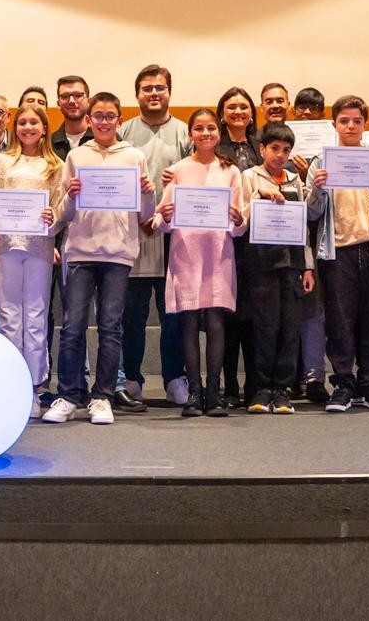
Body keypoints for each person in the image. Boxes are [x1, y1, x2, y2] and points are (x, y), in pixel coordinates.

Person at [45, 93, 156, 426]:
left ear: (120, 120)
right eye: (98, 116)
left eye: (110, 116)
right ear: (90, 119)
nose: (104, 121)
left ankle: (102, 396)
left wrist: (148, 192)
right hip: (79, 252)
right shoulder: (77, 156)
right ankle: (68, 394)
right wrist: (71, 194)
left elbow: (144, 215)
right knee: (73, 327)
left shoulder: (134, 156)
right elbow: (63, 214)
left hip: (118, 253)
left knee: (110, 328)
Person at [151, 108, 247, 417]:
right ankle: (194, 390)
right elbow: (160, 219)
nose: (205, 133)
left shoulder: (230, 171)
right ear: (190, 133)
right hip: (186, 254)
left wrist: (237, 219)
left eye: (211, 128)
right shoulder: (177, 169)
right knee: (189, 323)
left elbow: (241, 221)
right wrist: (164, 217)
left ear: (218, 133)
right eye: (199, 128)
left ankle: (214, 392)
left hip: (218, 254)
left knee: (216, 323)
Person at [306, 94, 369, 412]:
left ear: (364, 123)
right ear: (334, 124)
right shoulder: (321, 162)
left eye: (356, 120)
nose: (350, 126)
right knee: (340, 320)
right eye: (344, 120)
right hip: (336, 249)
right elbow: (312, 213)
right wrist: (317, 188)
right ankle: (343, 383)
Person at [118, 64, 191, 410]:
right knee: (131, 314)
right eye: (147, 88)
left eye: (160, 88)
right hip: (132, 233)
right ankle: (131, 378)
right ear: (137, 94)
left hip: (172, 236)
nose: (154, 93)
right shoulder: (123, 132)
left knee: (171, 313)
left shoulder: (185, 133)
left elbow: (192, 182)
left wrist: (162, 215)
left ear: (169, 92)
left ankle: (175, 377)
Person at [0, 103, 65, 416]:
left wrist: (52, 218)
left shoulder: (55, 165)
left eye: (35, 122)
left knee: (35, 316)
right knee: (8, 316)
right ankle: (10, 384)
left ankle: (33, 386)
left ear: (44, 128)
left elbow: (59, 211)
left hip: (40, 248)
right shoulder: (2, 163)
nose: (28, 127)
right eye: (22, 123)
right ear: (14, 127)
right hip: (5, 246)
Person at [238, 121, 318, 414]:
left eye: (286, 150)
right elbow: (240, 221)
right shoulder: (249, 177)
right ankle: (261, 388)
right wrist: (259, 199)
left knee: (289, 326)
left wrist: (308, 266)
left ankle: (282, 389)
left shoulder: (295, 180)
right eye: (274, 149)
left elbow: (303, 228)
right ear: (262, 149)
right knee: (265, 327)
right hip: (260, 265)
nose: (280, 155)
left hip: (292, 264)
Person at [216, 86, 261, 407]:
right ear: (222, 114)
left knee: (256, 316)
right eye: (231, 107)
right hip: (224, 242)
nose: (238, 112)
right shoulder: (213, 148)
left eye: (243, 107)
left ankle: (255, 385)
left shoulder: (264, 147)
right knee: (229, 317)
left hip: (260, 244)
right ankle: (230, 386)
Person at [289, 85, 329, 402]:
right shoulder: (283, 143)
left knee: (316, 307)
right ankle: (292, 375)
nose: (305, 112)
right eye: (301, 107)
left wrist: (309, 177)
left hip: (325, 231)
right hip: (288, 235)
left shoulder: (329, 146)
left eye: (312, 108)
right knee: (294, 307)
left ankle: (315, 375)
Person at [50, 75, 93, 160]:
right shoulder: (48, 145)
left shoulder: (104, 139)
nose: (72, 101)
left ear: (88, 101)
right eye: (65, 96)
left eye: (78, 95)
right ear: (59, 104)